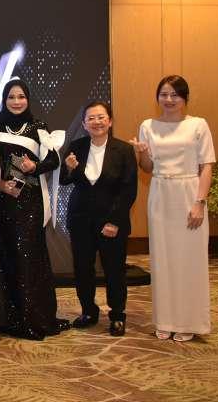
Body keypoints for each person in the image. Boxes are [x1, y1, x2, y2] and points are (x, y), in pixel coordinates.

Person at [130, 75, 215, 342]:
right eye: (164, 94)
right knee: (162, 259)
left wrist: (199, 202)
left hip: (189, 193)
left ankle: (190, 321)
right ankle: (166, 319)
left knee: (190, 259)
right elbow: (147, 168)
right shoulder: (148, 126)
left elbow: (206, 166)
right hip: (160, 192)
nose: (169, 99)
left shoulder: (198, 125)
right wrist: (142, 152)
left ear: (184, 98)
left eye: (175, 95)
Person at [0, 79, 70, 340]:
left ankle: (34, 318)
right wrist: (0, 185)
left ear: (28, 99)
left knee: (29, 258)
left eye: (21, 96)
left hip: (30, 203)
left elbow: (53, 160)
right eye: (11, 97)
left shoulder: (38, 127)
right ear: (4, 100)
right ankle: (9, 319)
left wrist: (35, 167)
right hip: (3, 202)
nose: (16, 101)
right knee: (7, 257)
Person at [59, 101, 137, 337]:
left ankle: (117, 315)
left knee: (114, 269)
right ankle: (88, 311)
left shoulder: (123, 150)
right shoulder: (77, 146)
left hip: (111, 220)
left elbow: (128, 190)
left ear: (110, 121)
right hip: (80, 219)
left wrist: (114, 221)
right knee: (83, 268)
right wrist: (69, 168)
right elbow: (64, 180)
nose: (96, 122)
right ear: (84, 124)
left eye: (101, 117)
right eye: (91, 118)